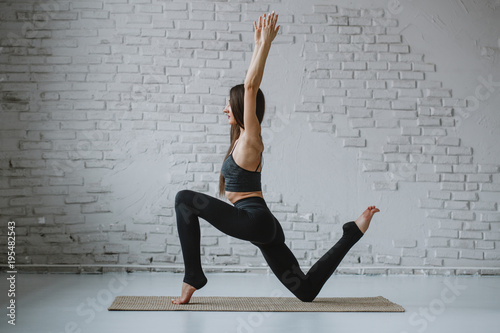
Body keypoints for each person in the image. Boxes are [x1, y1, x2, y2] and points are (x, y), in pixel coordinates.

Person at [172, 12, 380, 304]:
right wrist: (257, 43)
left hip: (252, 220)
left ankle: (193, 276)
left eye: (228, 105)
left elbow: (250, 87)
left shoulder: (251, 139)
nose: (224, 110)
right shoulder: (239, 141)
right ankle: (352, 232)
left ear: (242, 107)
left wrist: (265, 44)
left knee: (183, 198)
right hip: (263, 226)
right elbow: (248, 90)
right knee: (306, 292)